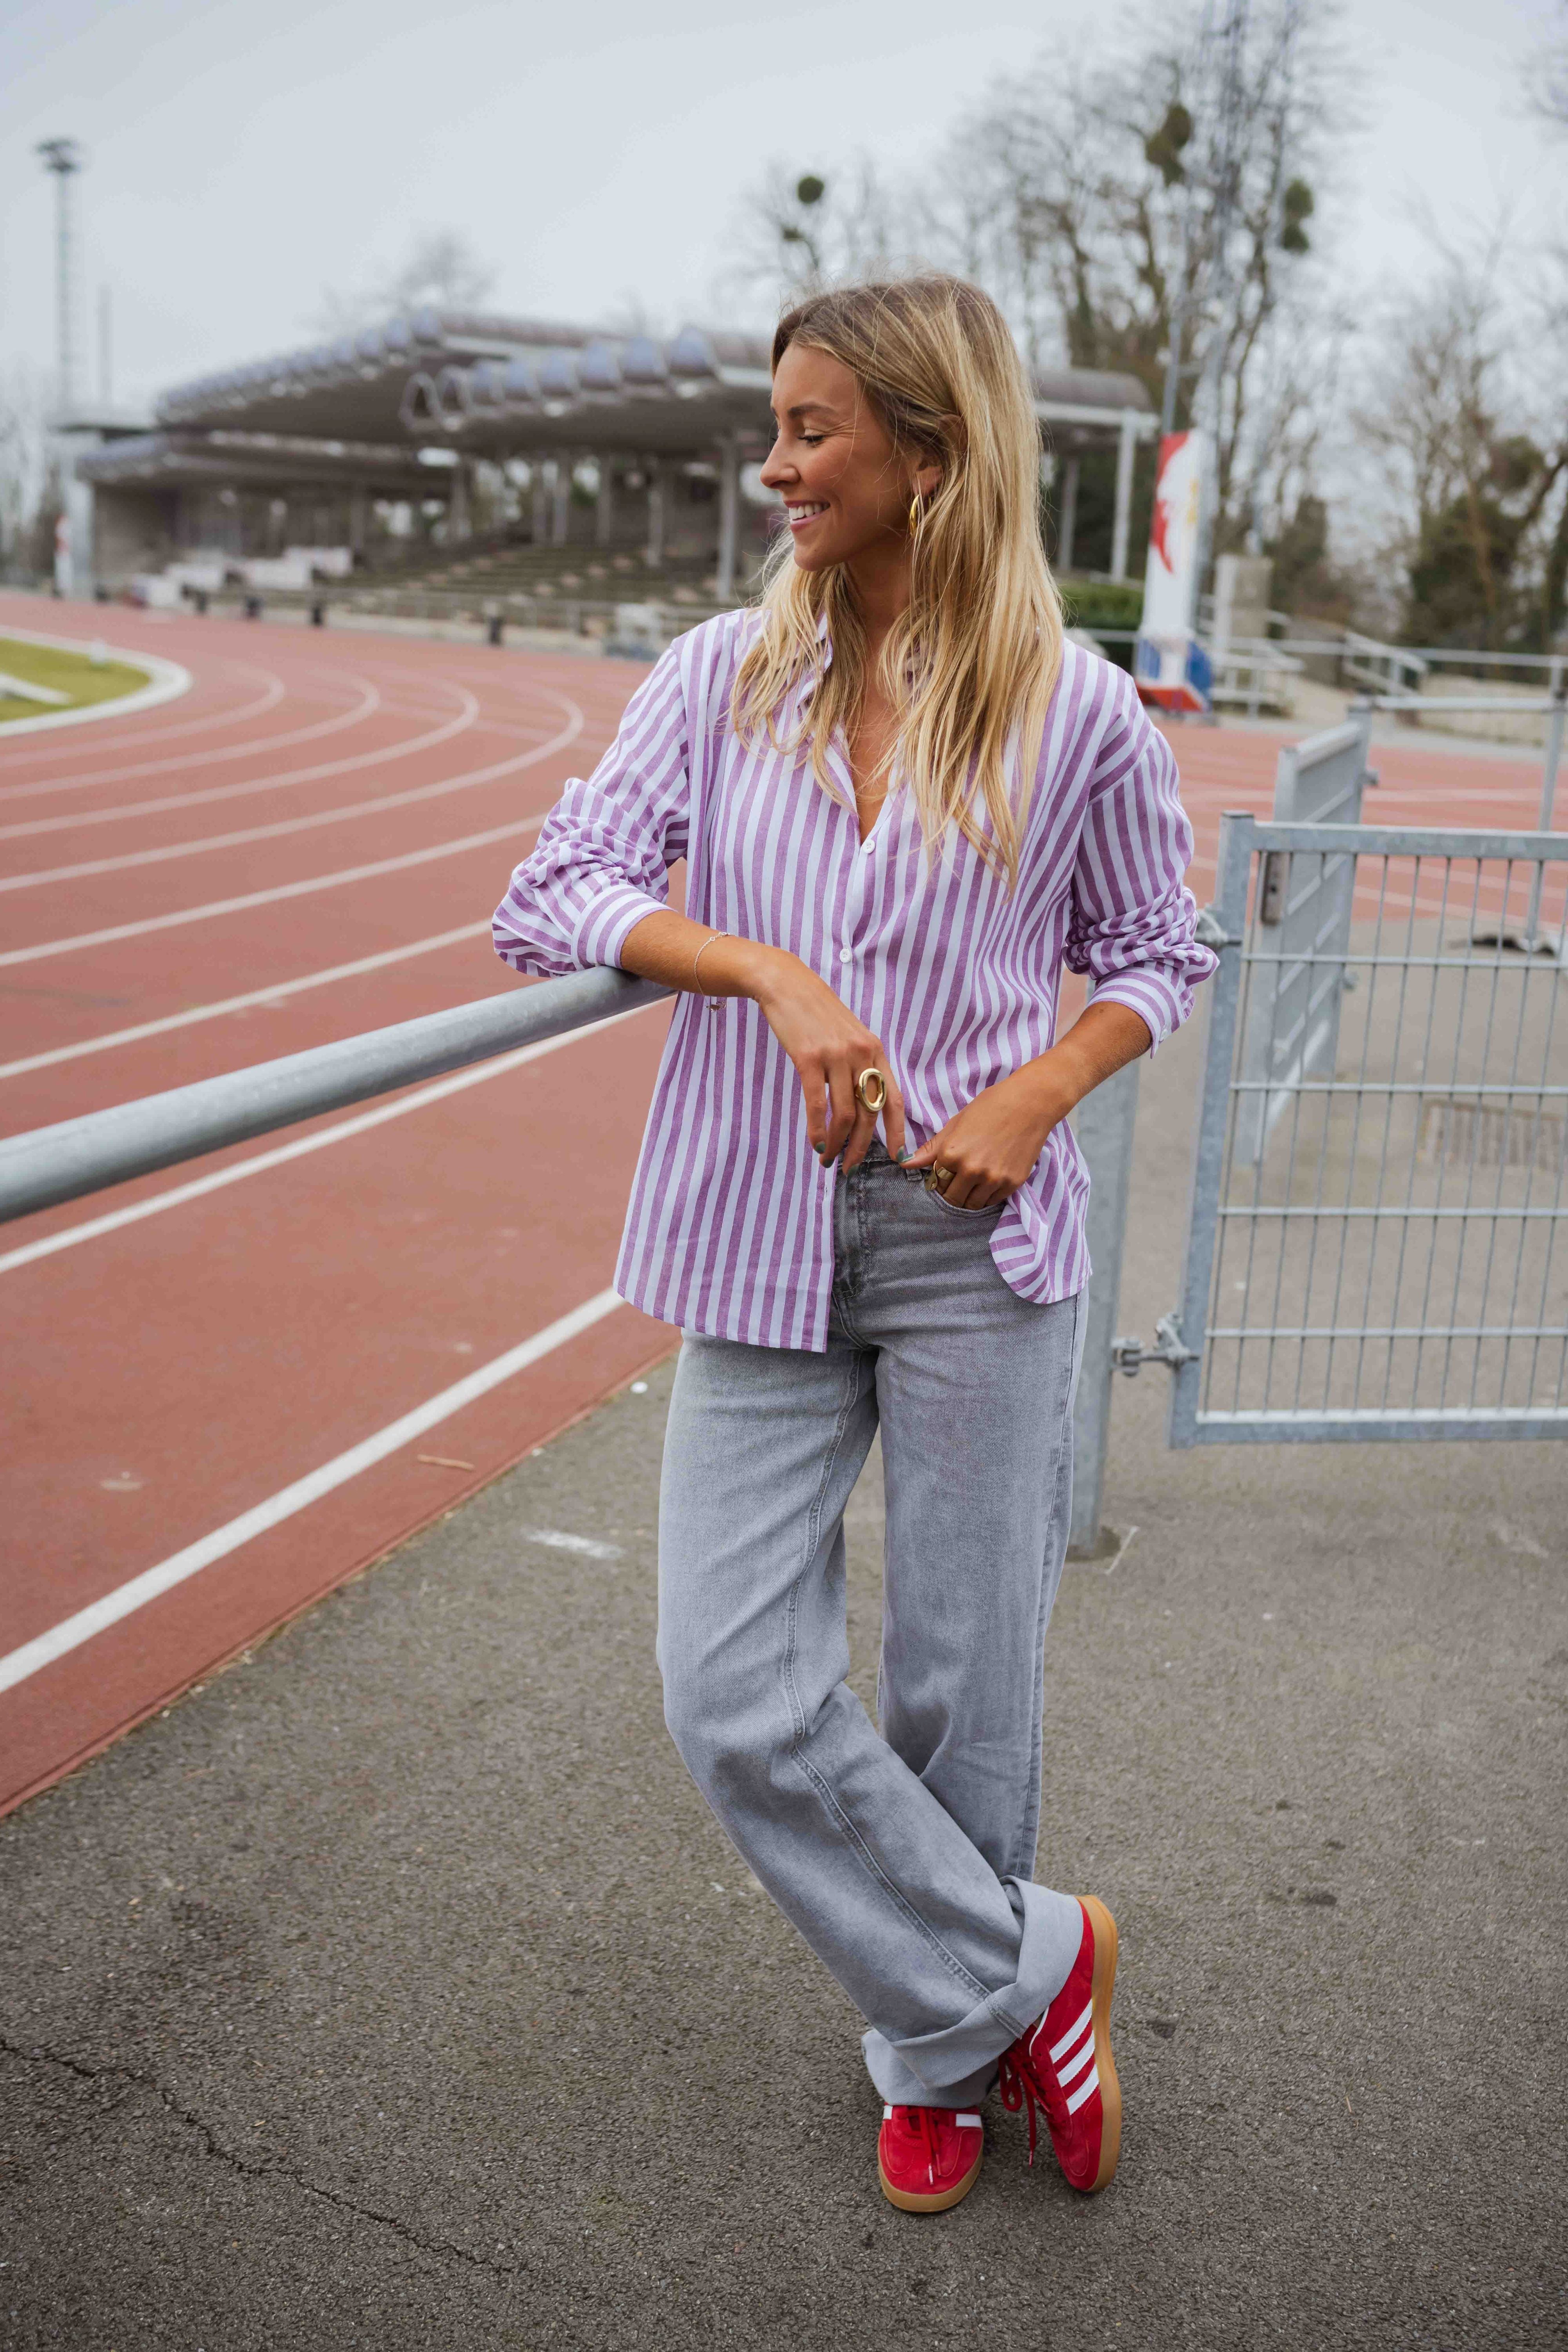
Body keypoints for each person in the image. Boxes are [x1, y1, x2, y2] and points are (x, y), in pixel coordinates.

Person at [494, 276, 1215, 2216]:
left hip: (979, 1246)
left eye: (815, 432)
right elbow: (550, 889)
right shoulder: (720, 674)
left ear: (933, 450)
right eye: (779, 426)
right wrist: (766, 973)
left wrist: (1036, 1093)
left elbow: (1160, 954)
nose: (778, 465)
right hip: (753, 1228)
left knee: (958, 1690)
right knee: (729, 1689)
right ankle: (1021, 1975)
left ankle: (930, 2055)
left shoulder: (1074, 713)